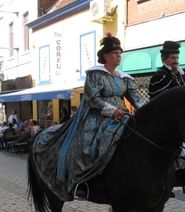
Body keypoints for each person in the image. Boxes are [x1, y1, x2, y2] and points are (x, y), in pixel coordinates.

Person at [32, 32, 144, 200]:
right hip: (97, 115)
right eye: (115, 53)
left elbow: (136, 98)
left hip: (121, 115)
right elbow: (92, 98)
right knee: (89, 143)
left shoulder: (124, 78)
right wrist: (112, 111)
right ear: (106, 56)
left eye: (120, 53)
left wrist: (148, 111)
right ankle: (83, 181)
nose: (118, 55)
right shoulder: (95, 74)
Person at [148, 41, 185, 197]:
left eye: (177, 57)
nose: (176, 60)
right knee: (166, 152)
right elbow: (158, 102)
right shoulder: (159, 76)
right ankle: (164, 181)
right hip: (166, 122)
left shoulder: (180, 74)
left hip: (182, 120)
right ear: (164, 59)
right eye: (172, 57)